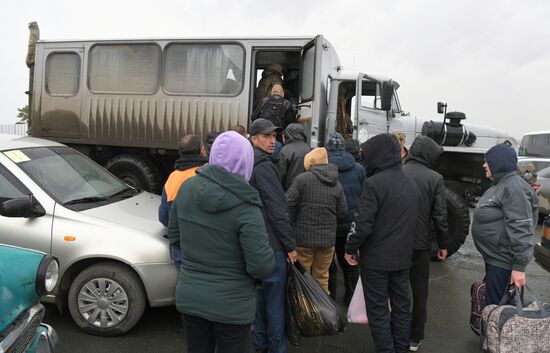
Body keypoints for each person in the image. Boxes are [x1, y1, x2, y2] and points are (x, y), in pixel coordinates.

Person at [167, 131, 275, 353]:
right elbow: (261, 266)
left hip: (191, 297)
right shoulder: (247, 205)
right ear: (246, 160)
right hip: (232, 307)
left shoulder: (186, 188)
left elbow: (175, 237)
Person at [345, 133, 419, 353]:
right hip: (403, 259)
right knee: (401, 308)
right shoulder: (410, 183)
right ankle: (401, 349)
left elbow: (363, 224)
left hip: (376, 261)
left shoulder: (374, 184)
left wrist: (350, 248)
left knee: (377, 312)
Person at [249, 118, 296, 353]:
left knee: (259, 300)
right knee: (275, 303)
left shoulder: (247, 163)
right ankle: (276, 348)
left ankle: (260, 344)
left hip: (254, 243)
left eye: (274, 136)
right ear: (254, 138)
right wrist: (290, 245)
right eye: (266, 136)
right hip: (273, 246)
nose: (271, 140)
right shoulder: (265, 166)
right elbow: (278, 209)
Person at [472, 143, 538, 307]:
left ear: (498, 162)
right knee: (495, 307)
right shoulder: (502, 184)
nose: (484, 165)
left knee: (497, 309)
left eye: (487, 161)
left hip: (503, 262)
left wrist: (519, 267)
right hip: (495, 259)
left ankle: (495, 332)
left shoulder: (514, 187)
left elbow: (521, 227)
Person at [402, 136, 450, 351]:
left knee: (397, 289)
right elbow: (440, 216)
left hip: (395, 244)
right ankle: (415, 337)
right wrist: (443, 244)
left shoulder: (396, 171)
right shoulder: (435, 178)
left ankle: (397, 331)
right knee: (420, 292)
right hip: (420, 246)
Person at [286, 147, 347, 293]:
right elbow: (343, 212)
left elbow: (287, 203)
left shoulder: (301, 180)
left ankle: (304, 312)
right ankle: (323, 313)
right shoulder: (337, 184)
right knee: (322, 278)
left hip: (303, 239)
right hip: (327, 241)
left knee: (302, 278)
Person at [325, 132, 366, 305]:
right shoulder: (359, 169)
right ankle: (351, 297)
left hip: (328, 224)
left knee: (328, 263)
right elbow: (365, 197)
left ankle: (330, 297)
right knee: (349, 260)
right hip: (350, 225)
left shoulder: (323, 166)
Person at [158, 134, 207, 227]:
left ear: (180, 153)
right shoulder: (207, 173)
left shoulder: (173, 177)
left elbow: (164, 218)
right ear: (202, 151)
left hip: (178, 235)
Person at [276, 123, 311, 190]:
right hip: (307, 189)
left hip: (290, 190)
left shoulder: (285, 151)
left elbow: (280, 175)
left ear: (287, 135)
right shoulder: (309, 149)